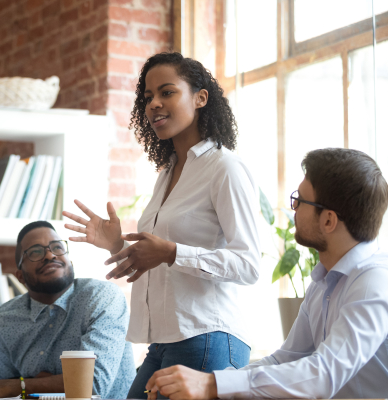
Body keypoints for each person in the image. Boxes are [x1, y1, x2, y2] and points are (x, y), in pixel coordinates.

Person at [62, 51, 261, 398]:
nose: (154, 104)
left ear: (201, 98)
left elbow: (248, 265)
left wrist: (170, 252)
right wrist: (116, 246)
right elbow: (161, 258)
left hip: (208, 337)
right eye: (148, 97)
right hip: (165, 341)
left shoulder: (224, 169)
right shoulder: (167, 174)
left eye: (167, 92)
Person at [146, 148, 388, 399]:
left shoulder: (374, 282)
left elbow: (323, 375)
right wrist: (215, 382)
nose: (293, 207)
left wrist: (212, 386)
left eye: (300, 201)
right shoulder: (324, 281)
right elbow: (286, 359)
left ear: (329, 221)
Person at [0, 221, 135, 398]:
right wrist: (31, 385)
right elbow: (6, 392)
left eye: (58, 247)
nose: (50, 255)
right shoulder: (3, 320)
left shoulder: (101, 297)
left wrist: (20, 385)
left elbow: (91, 384)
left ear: (71, 263)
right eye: (35, 252)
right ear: (20, 276)